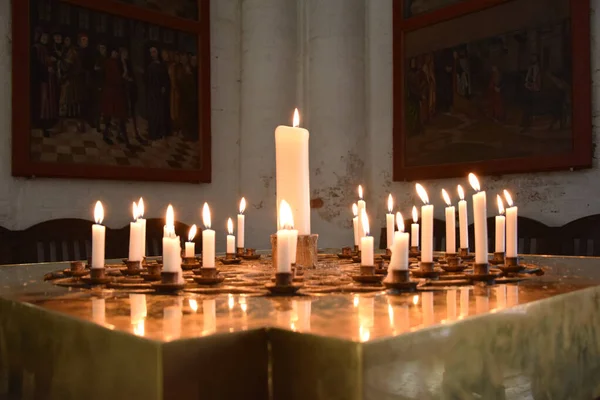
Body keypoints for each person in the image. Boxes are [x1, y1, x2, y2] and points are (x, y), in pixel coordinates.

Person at [32, 30, 59, 137]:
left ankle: (48, 121)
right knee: (43, 100)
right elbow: (34, 65)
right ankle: (42, 123)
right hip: (42, 80)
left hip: (49, 80)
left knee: (49, 100)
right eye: (43, 36)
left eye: (47, 37)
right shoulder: (35, 48)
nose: (45, 38)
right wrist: (46, 69)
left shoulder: (48, 48)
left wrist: (53, 63)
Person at [119, 47, 147, 145]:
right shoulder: (119, 64)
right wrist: (126, 77)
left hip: (130, 91)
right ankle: (124, 136)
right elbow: (121, 77)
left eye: (126, 53)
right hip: (123, 92)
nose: (125, 55)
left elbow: (132, 74)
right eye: (123, 53)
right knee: (123, 114)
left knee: (132, 113)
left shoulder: (128, 63)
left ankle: (135, 134)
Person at [101, 48, 128, 144]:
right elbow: (115, 78)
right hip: (111, 92)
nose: (116, 54)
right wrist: (123, 78)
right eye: (114, 52)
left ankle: (116, 135)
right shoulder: (110, 63)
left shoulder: (117, 62)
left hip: (116, 92)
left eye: (117, 52)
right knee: (110, 114)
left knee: (116, 115)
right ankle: (107, 136)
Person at [59, 36, 84, 131]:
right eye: (65, 39)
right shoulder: (66, 50)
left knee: (70, 99)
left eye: (68, 39)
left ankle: (74, 125)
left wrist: (59, 62)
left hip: (71, 79)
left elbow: (66, 66)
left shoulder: (71, 52)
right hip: (70, 78)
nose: (66, 41)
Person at [145, 46, 170, 141]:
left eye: (154, 52)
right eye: (151, 52)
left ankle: (162, 132)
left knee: (162, 113)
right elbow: (148, 81)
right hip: (153, 94)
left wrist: (164, 87)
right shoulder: (150, 67)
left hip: (161, 93)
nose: (153, 54)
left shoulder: (162, 65)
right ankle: (154, 133)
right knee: (154, 113)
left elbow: (166, 79)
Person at [178, 52, 197, 141]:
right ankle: (186, 133)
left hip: (190, 96)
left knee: (190, 116)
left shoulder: (189, 69)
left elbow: (192, 83)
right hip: (184, 96)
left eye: (185, 58)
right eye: (182, 58)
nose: (183, 60)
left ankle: (190, 134)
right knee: (185, 115)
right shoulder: (181, 68)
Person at [520, 54, 541, 132]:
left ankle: (528, 122)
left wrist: (533, 84)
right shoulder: (530, 67)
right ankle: (525, 122)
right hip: (528, 88)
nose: (532, 59)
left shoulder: (537, 68)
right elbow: (528, 77)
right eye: (532, 58)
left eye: (534, 58)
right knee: (526, 104)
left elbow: (536, 79)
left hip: (534, 88)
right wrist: (526, 83)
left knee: (530, 105)